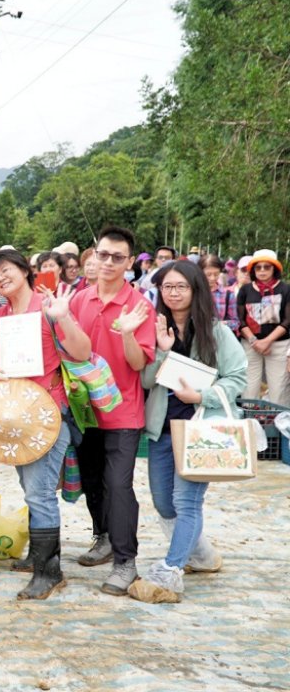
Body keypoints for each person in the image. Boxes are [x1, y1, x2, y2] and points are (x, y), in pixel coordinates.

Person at [130, 261, 247, 603]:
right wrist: (163, 351)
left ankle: (172, 569)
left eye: (181, 286)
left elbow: (237, 377)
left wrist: (200, 396)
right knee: (163, 503)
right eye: (167, 287)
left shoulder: (216, 332)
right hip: (162, 429)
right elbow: (146, 380)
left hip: (200, 429)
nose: (173, 293)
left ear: (196, 290)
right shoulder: (156, 328)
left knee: (186, 501)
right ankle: (203, 556)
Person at [0, 248, 90, 599]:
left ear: (24, 269)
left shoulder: (48, 305)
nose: (0, 277)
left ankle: (49, 571)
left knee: (39, 492)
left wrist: (63, 317)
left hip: (48, 411)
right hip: (16, 415)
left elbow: (82, 351)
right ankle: (39, 557)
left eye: (6, 269)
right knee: (30, 487)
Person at [69, 226, 158, 596]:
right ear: (94, 255)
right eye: (102, 254)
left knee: (118, 485)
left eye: (117, 257)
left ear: (129, 262)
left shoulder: (139, 305)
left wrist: (128, 333)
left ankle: (125, 560)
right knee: (91, 479)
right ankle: (102, 536)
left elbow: (138, 363)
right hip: (84, 409)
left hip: (123, 412)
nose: (108, 262)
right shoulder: (78, 299)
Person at [236, 249, 290, 406]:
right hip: (250, 344)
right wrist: (255, 342)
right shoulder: (245, 290)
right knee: (249, 386)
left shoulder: (286, 289)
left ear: (274, 269)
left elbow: (287, 321)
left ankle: (278, 420)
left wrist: (267, 341)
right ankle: (249, 417)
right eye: (258, 267)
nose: (262, 271)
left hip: (278, 345)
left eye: (267, 267)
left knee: (279, 388)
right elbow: (241, 320)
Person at [201, 254, 239, 335]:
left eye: (216, 274)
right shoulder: (194, 293)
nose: (212, 278)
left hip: (220, 336)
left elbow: (235, 322)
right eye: (208, 275)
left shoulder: (228, 294)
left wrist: (221, 324)